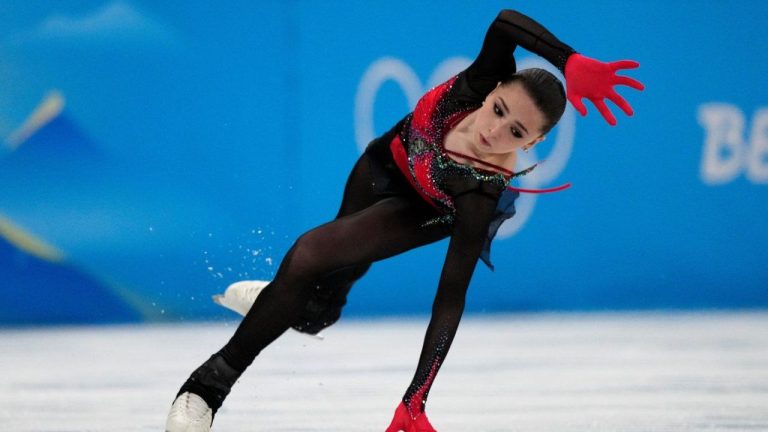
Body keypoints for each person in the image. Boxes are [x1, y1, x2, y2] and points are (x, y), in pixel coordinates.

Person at [165, 8, 643, 432]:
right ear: (495, 87)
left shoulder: (480, 191)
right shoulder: (482, 77)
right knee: (320, 290)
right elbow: (505, 22)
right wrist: (569, 59)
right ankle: (288, 303)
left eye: (515, 132)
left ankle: (206, 388)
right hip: (383, 165)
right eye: (498, 110)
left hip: (422, 211)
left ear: (533, 144)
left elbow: (450, 299)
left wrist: (416, 399)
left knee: (310, 256)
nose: (493, 131)